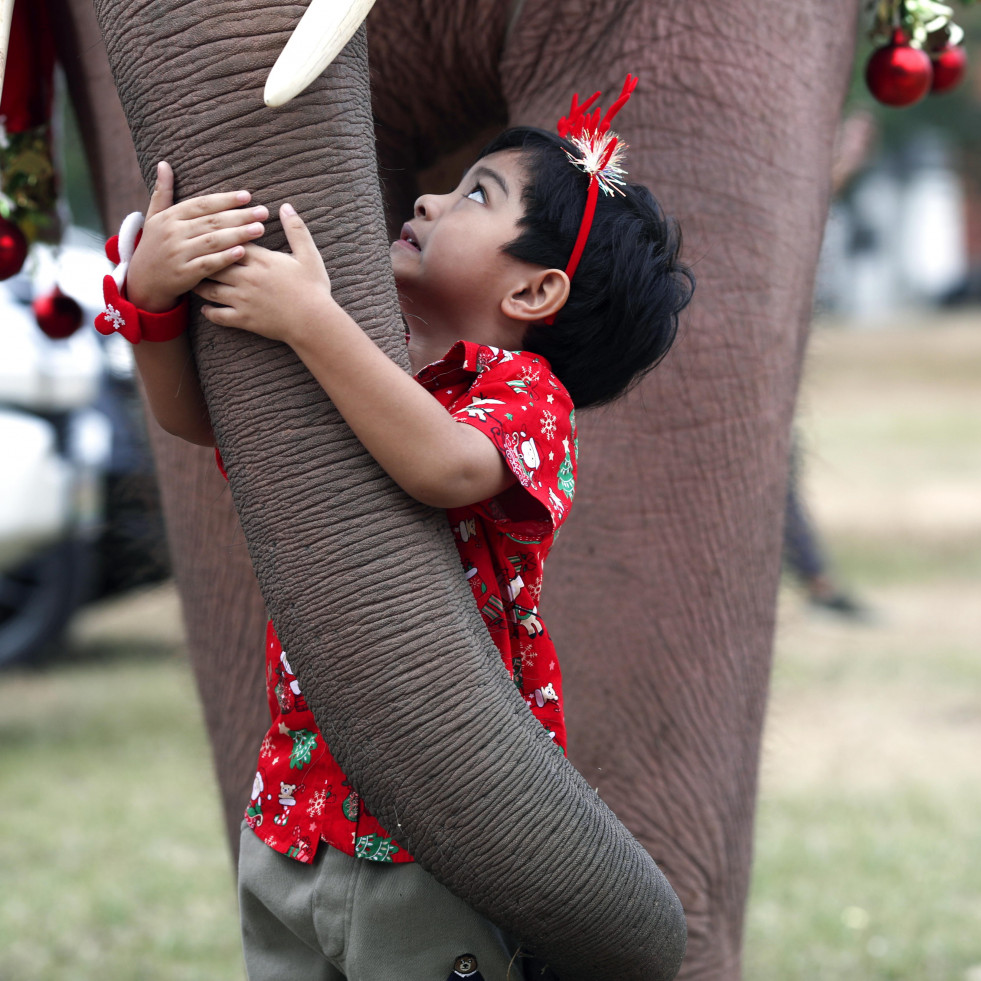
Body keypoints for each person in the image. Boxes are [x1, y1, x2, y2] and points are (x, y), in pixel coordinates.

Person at [97, 76, 694, 980]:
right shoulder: (360, 364)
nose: (428, 196)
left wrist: (310, 319)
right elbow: (202, 419)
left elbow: (445, 467)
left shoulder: (528, 400)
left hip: (439, 824)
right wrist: (151, 302)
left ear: (535, 290)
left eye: (476, 196)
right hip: (294, 816)